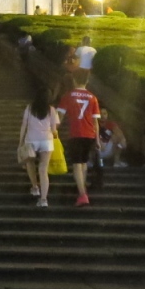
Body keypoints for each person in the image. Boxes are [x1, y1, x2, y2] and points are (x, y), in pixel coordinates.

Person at [58, 73, 101, 207]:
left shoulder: (68, 96)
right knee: (83, 162)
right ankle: (82, 188)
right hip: (90, 134)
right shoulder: (93, 97)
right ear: (87, 81)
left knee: (77, 163)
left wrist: (53, 130)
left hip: (76, 132)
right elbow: (95, 121)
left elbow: (60, 116)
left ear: (74, 80)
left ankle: (82, 194)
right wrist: (97, 139)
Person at [18, 89, 60, 209]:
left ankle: (35, 187)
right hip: (46, 141)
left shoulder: (30, 108)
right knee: (43, 169)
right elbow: (54, 129)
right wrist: (55, 136)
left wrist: (20, 142)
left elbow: (24, 125)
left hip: (31, 139)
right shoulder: (51, 110)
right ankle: (43, 199)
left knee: (30, 163)